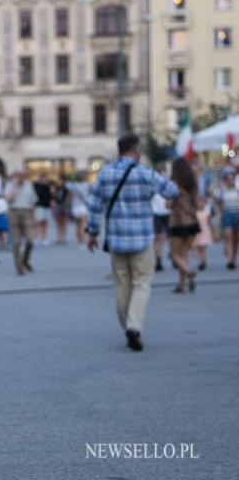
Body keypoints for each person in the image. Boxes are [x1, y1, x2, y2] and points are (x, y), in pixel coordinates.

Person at [86, 134, 178, 352]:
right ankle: (134, 326)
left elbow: (93, 204)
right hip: (142, 238)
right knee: (142, 282)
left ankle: (126, 325)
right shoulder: (144, 173)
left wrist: (92, 232)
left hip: (116, 239)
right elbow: (171, 190)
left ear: (119, 150)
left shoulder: (105, 173)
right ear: (136, 151)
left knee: (121, 283)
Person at [168, 158, 202, 294]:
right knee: (184, 254)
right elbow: (199, 205)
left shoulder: (174, 185)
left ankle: (189, 272)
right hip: (192, 223)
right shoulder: (193, 185)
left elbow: (169, 204)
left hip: (178, 223)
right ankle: (182, 284)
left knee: (174, 255)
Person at [5, 168, 38, 275]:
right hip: (14, 212)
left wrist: (34, 218)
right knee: (16, 242)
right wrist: (15, 186)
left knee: (30, 240)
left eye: (23, 175)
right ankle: (19, 267)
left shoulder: (29, 185)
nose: (21, 177)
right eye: (19, 175)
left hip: (27, 213)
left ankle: (25, 260)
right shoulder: (9, 185)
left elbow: (33, 202)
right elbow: (8, 199)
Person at [216, 167, 239, 269]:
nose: (229, 178)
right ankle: (229, 259)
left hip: (237, 213)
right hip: (227, 214)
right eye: (227, 176)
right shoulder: (221, 189)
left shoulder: (237, 187)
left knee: (236, 238)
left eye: (231, 176)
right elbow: (218, 202)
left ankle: (233, 258)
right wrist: (220, 212)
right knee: (228, 237)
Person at [150, 165, 171, 271]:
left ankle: (174, 256)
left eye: (164, 172)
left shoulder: (169, 184)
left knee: (170, 237)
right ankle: (158, 259)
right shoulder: (152, 185)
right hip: (156, 213)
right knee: (158, 238)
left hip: (168, 213)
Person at [67, 172, 90, 247]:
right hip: (83, 207)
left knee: (77, 225)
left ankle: (79, 240)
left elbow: (69, 198)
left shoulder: (73, 186)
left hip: (75, 207)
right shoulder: (87, 185)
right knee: (83, 225)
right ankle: (82, 241)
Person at [194, 195, 214, 272]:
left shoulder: (206, 213)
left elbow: (209, 223)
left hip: (204, 232)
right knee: (197, 248)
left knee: (202, 248)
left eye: (202, 203)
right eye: (198, 203)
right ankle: (201, 260)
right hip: (197, 233)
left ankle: (202, 261)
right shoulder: (194, 213)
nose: (200, 204)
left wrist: (212, 232)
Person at [33, 174, 52, 245]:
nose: (45, 180)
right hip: (39, 206)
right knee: (38, 222)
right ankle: (37, 237)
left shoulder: (48, 187)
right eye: (44, 178)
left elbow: (50, 197)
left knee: (45, 222)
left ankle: (44, 237)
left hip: (47, 207)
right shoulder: (36, 186)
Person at [51, 179, 70, 245]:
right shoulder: (55, 188)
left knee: (63, 223)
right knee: (58, 223)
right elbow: (53, 198)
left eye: (61, 181)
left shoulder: (66, 189)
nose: (59, 182)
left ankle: (64, 237)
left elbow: (68, 198)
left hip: (63, 206)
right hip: (58, 206)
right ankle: (59, 237)